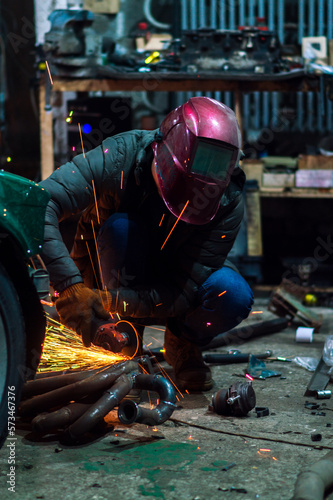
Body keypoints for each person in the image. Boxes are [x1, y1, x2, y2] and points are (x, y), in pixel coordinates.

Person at [40, 96, 254, 392]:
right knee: (121, 228)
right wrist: (69, 284)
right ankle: (126, 337)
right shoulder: (118, 156)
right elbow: (39, 202)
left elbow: (183, 291)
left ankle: (183, 343)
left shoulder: (228, 199)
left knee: (233, 295)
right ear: (159, 150)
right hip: (114, 262)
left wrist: (109, 301)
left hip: (177, 278)